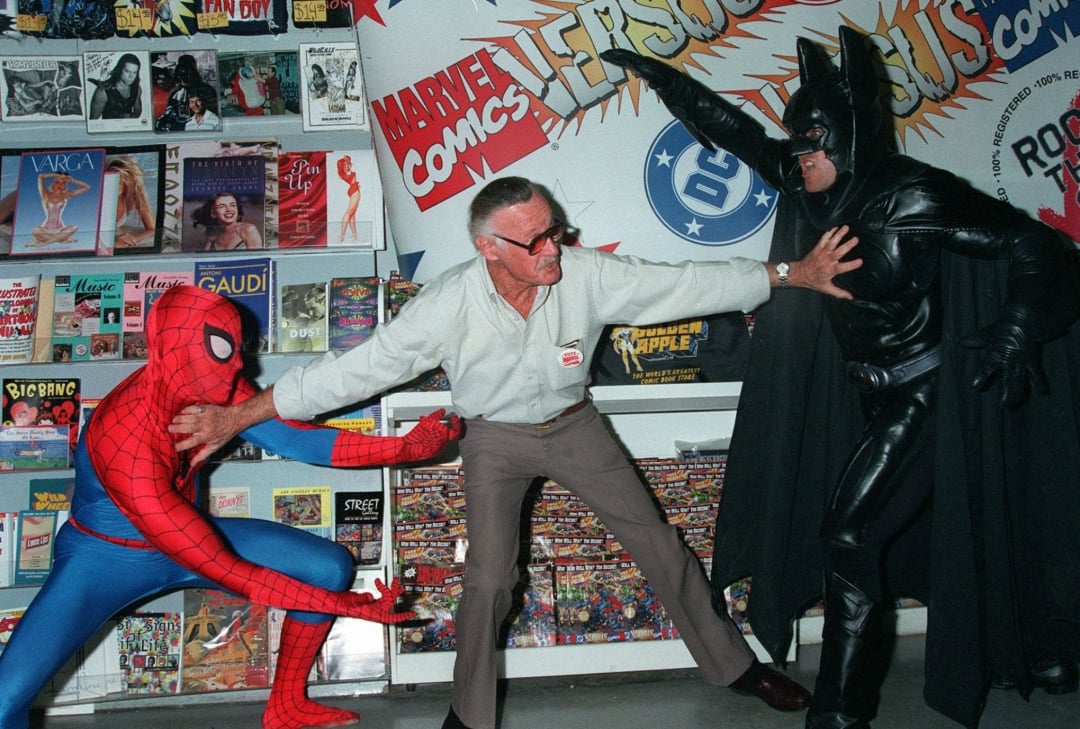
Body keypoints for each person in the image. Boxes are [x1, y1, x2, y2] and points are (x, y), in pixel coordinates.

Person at [169, 176, 861, 729]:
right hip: (492, 438)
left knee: (659, 542)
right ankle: (469, 715)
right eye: (535, 242)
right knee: (490, 579)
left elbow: (681, 283)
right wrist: (240, 414)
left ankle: (733, 666)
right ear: (488, 248)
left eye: (554, 232)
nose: (553, 250)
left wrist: (789, 272)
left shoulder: (584, 274)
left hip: (573, 423)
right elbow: (354, 370)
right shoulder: (448, 305)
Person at [603, 26, 1080, 729]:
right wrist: (664, 78)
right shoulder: (810, 182)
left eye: (815, 141)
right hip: (860, 393)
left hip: (924, 391)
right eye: (796, 143)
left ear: (851, 137)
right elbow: (734, 132)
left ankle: (840, 709)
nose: (801, 158)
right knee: (953, 524)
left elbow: (1034, 245)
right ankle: (1028, 643)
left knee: (851, 536)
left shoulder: (910, 194)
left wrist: (1013, 330)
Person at [0, 285, 461, 729]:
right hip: (104, 560)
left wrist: (403, 449)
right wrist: (347, 606)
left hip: (187, 534)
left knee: (326, 566)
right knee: (5, 700)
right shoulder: (124, 438)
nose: (240, 363)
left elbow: (297, 438)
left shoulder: (203, 381)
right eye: (224, 349)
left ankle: (287, 704)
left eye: (239, 346)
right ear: (175, 352)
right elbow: (228, 571)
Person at [107, 155, 157, 249]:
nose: (111, 186)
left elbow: (152, 229)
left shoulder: (132, 197)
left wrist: (132, 238)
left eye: (118, 182)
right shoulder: (99, 197)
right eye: (109, 180)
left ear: (127, 183)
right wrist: (114, 241)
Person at [30, 172, 90, 246]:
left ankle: (44, 243)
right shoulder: (45, 194)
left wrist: (72, 181)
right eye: (57, 182)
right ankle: (62, 239)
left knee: (74, 227)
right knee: (35, 230)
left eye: (63, 183)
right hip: (46, 229)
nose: (59, 185)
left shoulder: (66, 195)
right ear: (53, 183)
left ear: (65, 185)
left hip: (60, 229)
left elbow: (86, 187)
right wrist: (58, 175)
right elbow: (41, 177)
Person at [192, 191, 262, 251]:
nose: (229, 210)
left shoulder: (248, 230)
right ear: (213, 213)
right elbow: (204, 261)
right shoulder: (212, 235)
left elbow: (257, 262)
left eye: (232, 205)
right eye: (222, 206)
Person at [88, 53, 143, 120]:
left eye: (134, 72)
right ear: (119, 69)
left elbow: (137, 112)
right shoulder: (102, 92)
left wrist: (130, 117)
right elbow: (93, 122)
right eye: (127, 71)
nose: (131, 76)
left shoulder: (137, 88)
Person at [336, 155, 361, 243]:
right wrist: (346, 160)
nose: (347, 167)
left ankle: (354, 234)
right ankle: (342, 235)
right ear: (342, 167)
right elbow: (349, 160)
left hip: (353, 190)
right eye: (345, 166)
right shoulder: (348, 173)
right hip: (354, 192)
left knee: (352, 215)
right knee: (348, 214)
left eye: (347, 165)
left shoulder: (342, 174)